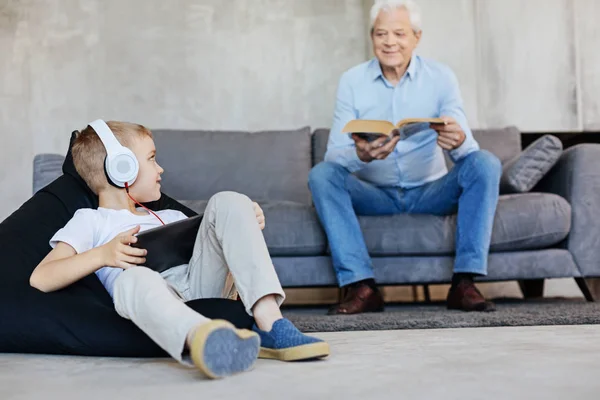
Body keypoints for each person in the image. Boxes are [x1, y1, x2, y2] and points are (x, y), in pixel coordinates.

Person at [30, 120, 329, 379]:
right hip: (147, 297)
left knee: (229, 200)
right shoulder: (91, 220)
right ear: (123, 168)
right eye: (152, 159)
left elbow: (222, 266)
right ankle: (205, 339)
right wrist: (103, 255)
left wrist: (243, 223)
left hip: (198, 284)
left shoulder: (172, 217)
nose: (161, 169)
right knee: (134, 279)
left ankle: (271, 323)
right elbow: (41, 277)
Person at [308, 0, 501, 315]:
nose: (389, 42)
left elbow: (469, 150)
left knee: (485, 163)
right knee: (321, 174)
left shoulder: (441, 77)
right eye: (381, 34)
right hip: (375, 194)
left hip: (431, 192)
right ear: (372, 37)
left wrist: (458, 139)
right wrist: (362, 155)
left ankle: (464, 283)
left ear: (416, 37)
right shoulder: (352, 81)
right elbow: (334, 154)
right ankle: (362, 287)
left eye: (399, 33)